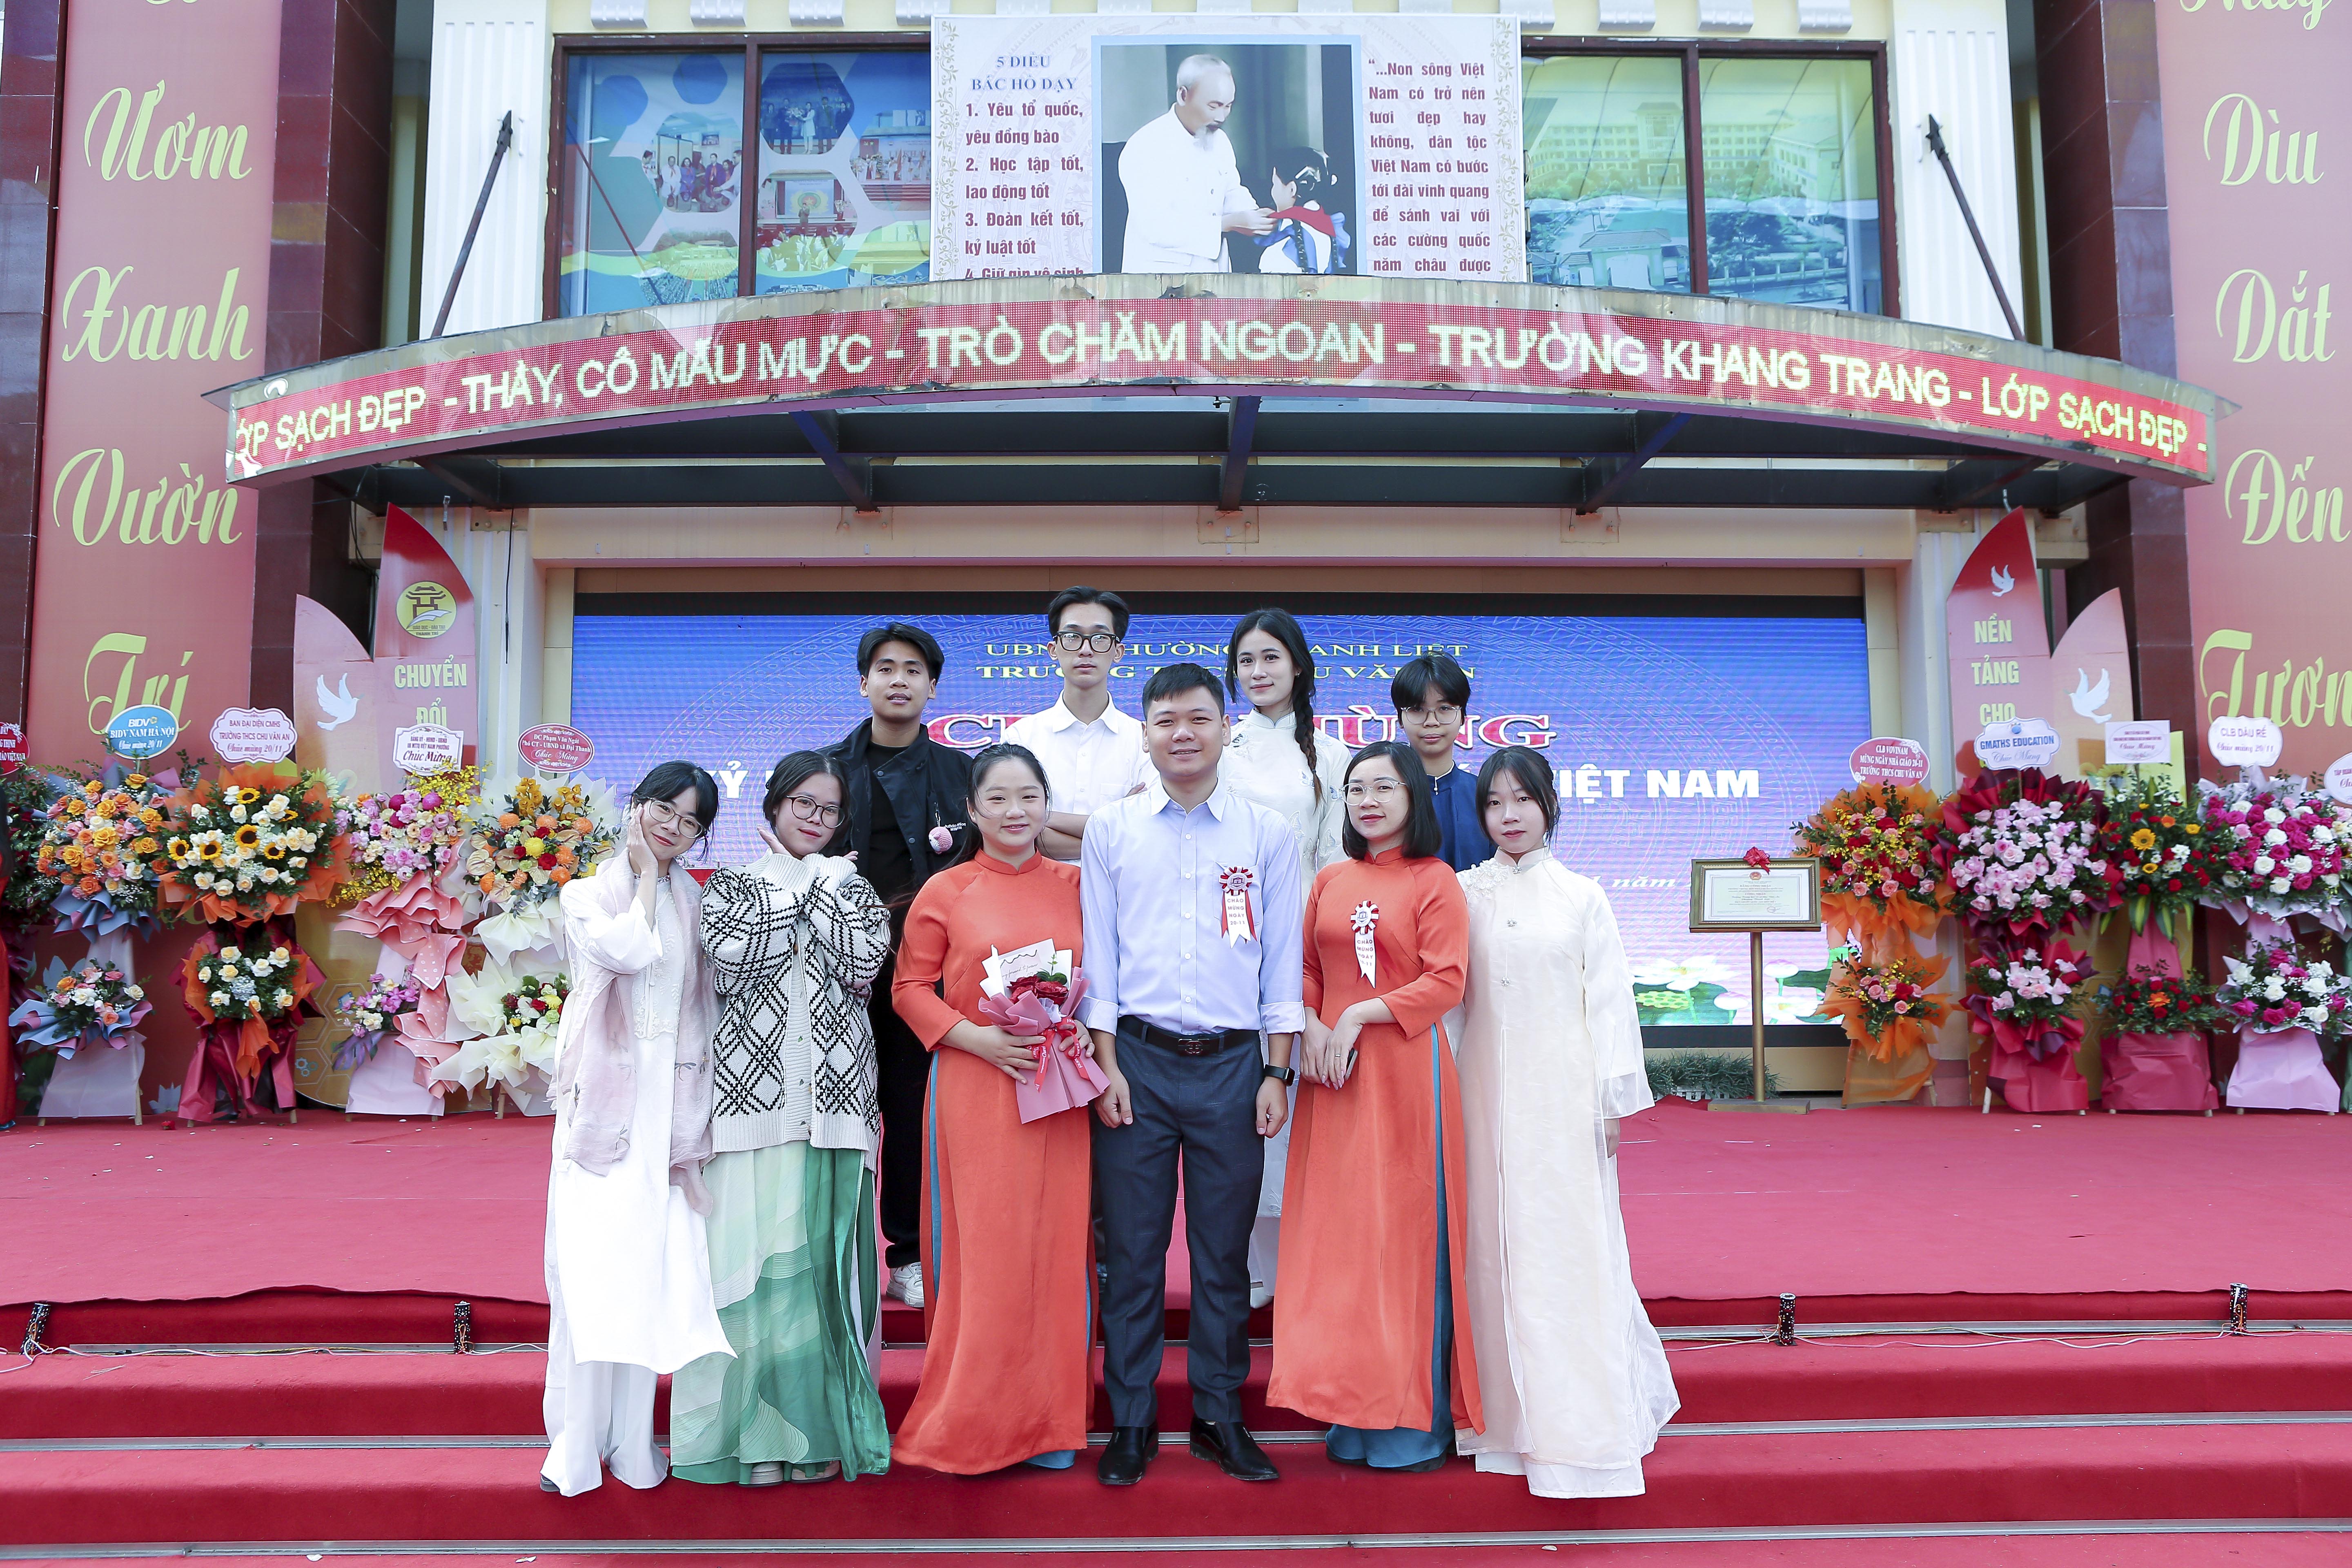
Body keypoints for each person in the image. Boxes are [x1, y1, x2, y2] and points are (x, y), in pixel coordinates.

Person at [1080, 662, 1302, 1487]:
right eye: (1166, 719)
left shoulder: (1266, 834)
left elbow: (1282, 960)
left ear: (1224, 729)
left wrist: (1277, 1071)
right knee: (1133, 1253)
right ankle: (1131, 1418)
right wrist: (1106, 1064)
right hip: (1135, 1063)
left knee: (1221, 1255)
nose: (1183, 733)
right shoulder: (1112, 829)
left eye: (1199, 718)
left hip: (1235, 1066)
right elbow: (1100, 956)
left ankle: (1218, 1414)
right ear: (1145, 732)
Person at [1452, 746, 1679, 1496]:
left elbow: (1609, 1005)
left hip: (1563, 1100)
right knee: (1492, 1248)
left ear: (1550, 805)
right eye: (1494, 803)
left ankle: (1579, 1427)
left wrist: (1610, 1103)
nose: (1509, 815)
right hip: (1481, 1096)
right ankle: (1499, 1423)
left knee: (1564, 1248)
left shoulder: (1583, 896)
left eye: (1523, 799)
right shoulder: (1462, 893)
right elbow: (1448, 1004)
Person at [674, 751, 893, 1488]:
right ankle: (750, 1440)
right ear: (774, 806)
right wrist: (799, 891)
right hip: (749, 1108)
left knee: (823, 1280)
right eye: (804, 803)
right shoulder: (733, 884)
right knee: (749, 1274)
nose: (816, 819)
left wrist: (818, 885)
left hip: (837, 1110)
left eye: (829, 810)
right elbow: (734, 962)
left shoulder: (852, 886)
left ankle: (820, 1436)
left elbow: (863, 963)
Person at [1269, 740, 1477, 1472]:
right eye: (1356, 788)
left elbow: (1447, 981)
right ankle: (1347, 1404)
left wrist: (1358, 1015)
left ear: (1414, 796)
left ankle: (1410, 1420)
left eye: (1384, 787)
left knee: (1402, 1242)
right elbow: (1303, 967)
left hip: (1402, 1076)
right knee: (1340, 1246)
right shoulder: (1331, 878)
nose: (1367, 800)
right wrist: (1314, 1022)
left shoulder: (1436, 880)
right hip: (1333, 1080)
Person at [889, 744, 1095, 1474]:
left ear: (1047, 806)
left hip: (1058, 1084)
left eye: (1029, 797)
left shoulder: (1079, 884)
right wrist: (975, 1038)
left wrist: (1084, 1034)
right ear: (972, 810)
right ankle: (978, 1414)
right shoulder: (946, 889)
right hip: (976, 1086)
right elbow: (909, 989)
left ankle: (1049, 1418)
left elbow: (1104, 977)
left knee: (1054, 1245)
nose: (1015, 812)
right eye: (998, 799)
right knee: (986, 1248)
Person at [540, 761, 732, 1496]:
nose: (674, 828)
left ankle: (631, 1441)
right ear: (637, 806)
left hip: (668, 1105)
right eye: (664, 810)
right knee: (593, 1273)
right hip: (603, 1102)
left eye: (691, 821)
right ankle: (576, 1444)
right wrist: (649, 875)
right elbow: (625, 951)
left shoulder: (696, 901)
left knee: (647, 1272)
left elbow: (702, 1007)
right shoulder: (586, 893)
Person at [828, 622, 975, 1312]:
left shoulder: (961, 773)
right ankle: (831, 1255)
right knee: (836, 1112)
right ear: (864, 682)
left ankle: (910, 1254)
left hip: (927, 974)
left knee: (916, 1115)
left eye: (913, 670)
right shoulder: (823, 770)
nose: (899, 680)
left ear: (932, 688)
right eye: (885, 668)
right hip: (836, 974)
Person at [1222, 607, 1349, 1307]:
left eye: (1271, 657)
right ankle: (1245, 1264)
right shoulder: (1221, 746)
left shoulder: (1332, 756)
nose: (1258, 671)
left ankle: (1305, 1264)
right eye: (1246, 660)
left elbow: (1333, 862)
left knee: (1298, 1105)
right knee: (1238, 1103)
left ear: (1298, 666)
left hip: (1300, 944)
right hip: (1226, 946)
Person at [1003, 586, 1151, 862]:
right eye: (1072, 637)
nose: (1085, 650)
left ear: (1118, 651)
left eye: (1100, 638)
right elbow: (1013, 830)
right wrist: (1114, 824)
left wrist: (1044, 817)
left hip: (1121, 888)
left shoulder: (1144, 740)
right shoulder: (1021, 738)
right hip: (1039, 886)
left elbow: (1146, 830)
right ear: (1053, 649)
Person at [1116, 54, 1273, 273]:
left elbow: (1231, 191)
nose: (1222, 117)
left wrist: (1256, 216)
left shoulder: (1220, 140)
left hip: (1215, 272)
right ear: (1183, 95)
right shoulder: (1145, 145)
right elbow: (1155, 226)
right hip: (1161, 277)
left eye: (1228, 106)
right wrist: (1227, 224)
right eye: (1214, 106)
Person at [1391, 654, 1483, 872]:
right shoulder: (1386, 795)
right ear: (1400, 719)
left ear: (1463, 716)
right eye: (1417, 710)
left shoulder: (1485, 795)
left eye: (1445, 709)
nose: (1431, 722)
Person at [1254, 146, 1352, 276]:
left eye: (1275, 184)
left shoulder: (1281, 249)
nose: (1272, 191)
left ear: (1292, 190)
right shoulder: (1329, 231)